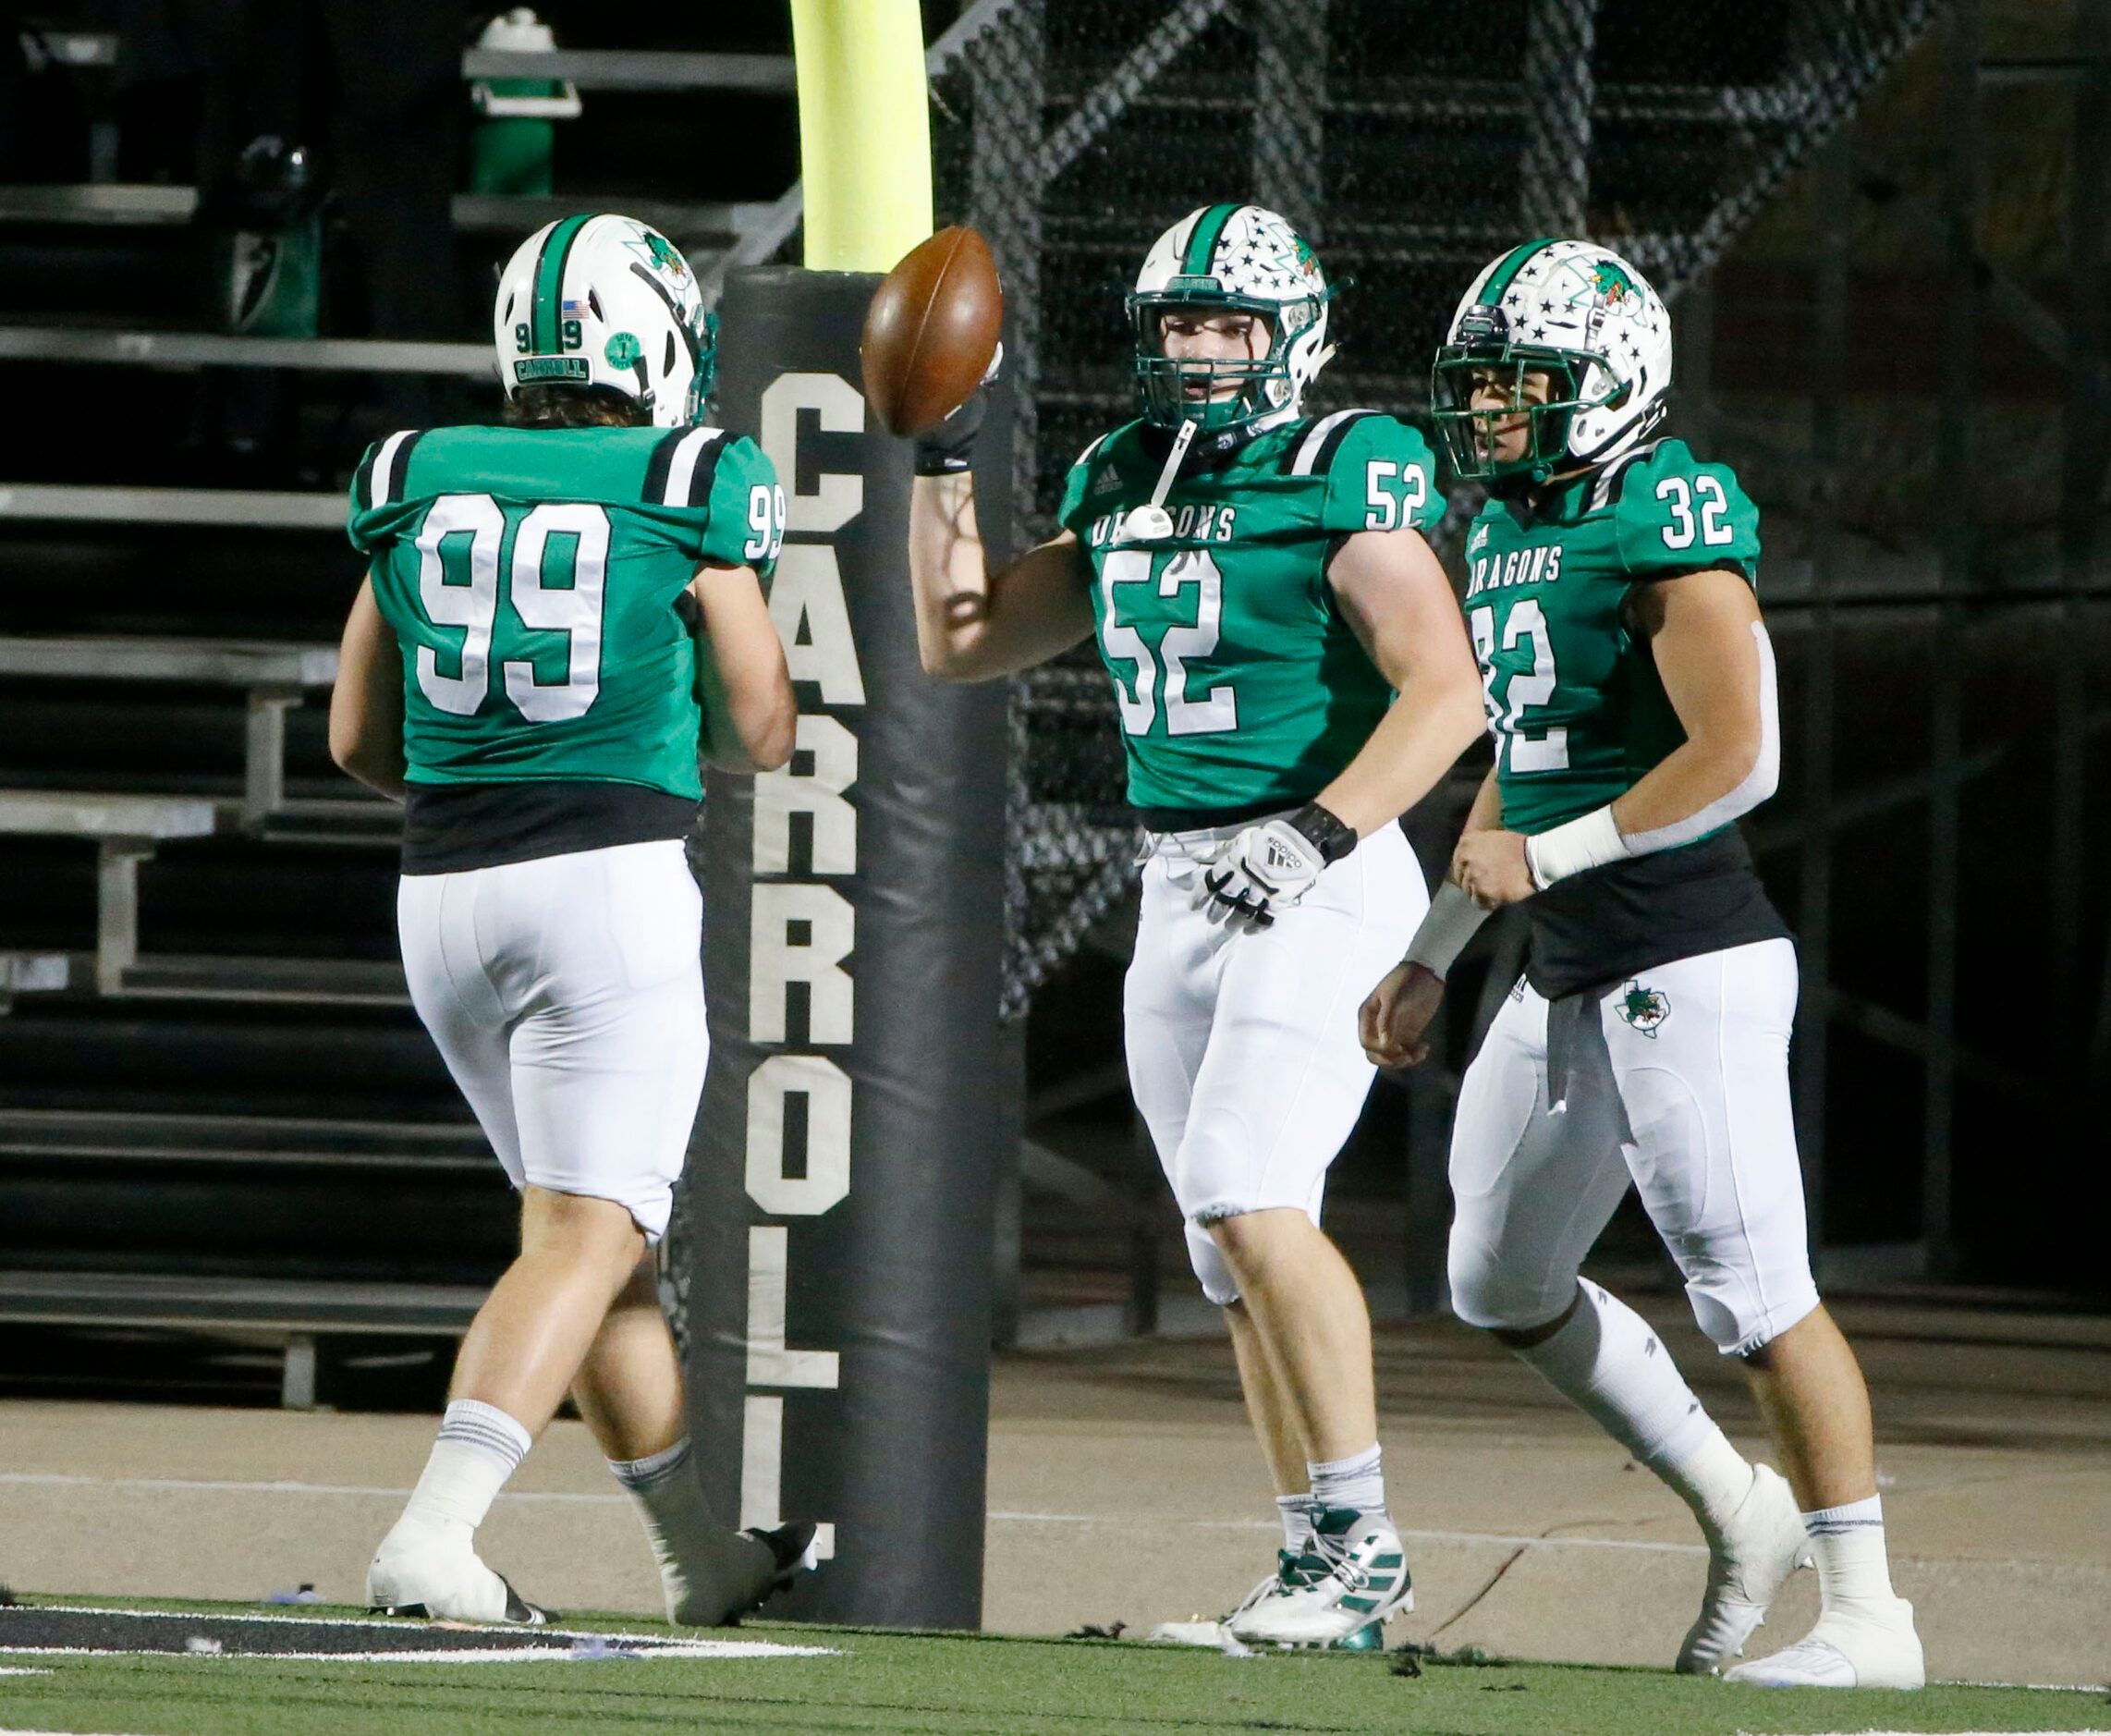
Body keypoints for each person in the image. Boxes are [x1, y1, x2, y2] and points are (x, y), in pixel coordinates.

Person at [906, 203, 1483, 1648]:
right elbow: (964, 639)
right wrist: (939, 458)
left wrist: (1318, 833)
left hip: (1320, 866)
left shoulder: (1342, 464)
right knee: (1225, 1250)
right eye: (1178, 324)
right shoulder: (1127, 471)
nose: (1201, 350)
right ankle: (1316, 1559)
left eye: (1229, 324)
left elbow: (1447, 691)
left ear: (1294, 333)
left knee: (1242, 1184)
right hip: (1181, 879)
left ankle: (1366, 1545)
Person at [1361, 238, 1924, 1689]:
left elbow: (1741, 754)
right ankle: (1741, 1508)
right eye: (1482, 386)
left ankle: (1872, 1615)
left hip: (1691, 949)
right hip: (1562, 962)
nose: (1493, 413)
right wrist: (1436, 948)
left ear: (1611, 386)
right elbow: (1523, 762)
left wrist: (1543, 863)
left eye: (1525, 386)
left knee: (1753, 1290)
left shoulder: (1663, 507)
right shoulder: (1504, 528)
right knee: (1495, 1276)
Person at [328, 213, 811, 1626]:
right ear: (652, 338)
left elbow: (359, 731)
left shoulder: (417, 471)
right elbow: (767, 724)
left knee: (587, 1239)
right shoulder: (687, 474)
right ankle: (436, 1530)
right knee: (591, 1233)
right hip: (604, 881)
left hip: (442, 893)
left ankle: (699, 1556)